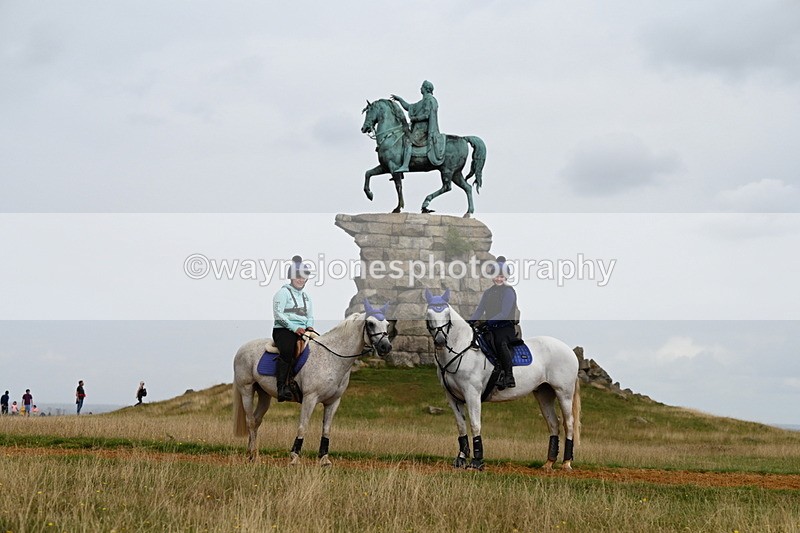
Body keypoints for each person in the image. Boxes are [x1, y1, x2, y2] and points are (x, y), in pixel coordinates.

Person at [469, 256, 519, 390]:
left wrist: (487, 323)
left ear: (506, 277)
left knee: (499, 343)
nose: (498, 279)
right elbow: (480, 310)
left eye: (501, 276)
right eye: (497, 276)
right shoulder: (488, 292)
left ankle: (509, 376)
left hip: (505, 328)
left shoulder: (509, 292)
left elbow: (504, 313)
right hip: (490, 327)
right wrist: (470, 322)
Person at [272, 255, 315, 402]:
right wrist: (294, 327)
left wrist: (309, 326)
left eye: (303, 277)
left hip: (304, 331)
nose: (301, 279)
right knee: (288, 351)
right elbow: (278, 315)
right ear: (291, 277)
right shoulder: (282, 293)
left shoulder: (306, 297)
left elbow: (310, 315)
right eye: (298, 276)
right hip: (283, 330)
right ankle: (282, 388)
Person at [390, 80, 445, 171]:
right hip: (418, 128)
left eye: (422, 87)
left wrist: (415, 119)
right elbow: (409, 107)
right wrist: (400, 100)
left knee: (408, 141)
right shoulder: (423, 101)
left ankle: (405, 165)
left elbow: (426, 115)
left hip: (424, 129)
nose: (420, 88)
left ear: (426, 89)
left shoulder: (430, 100)